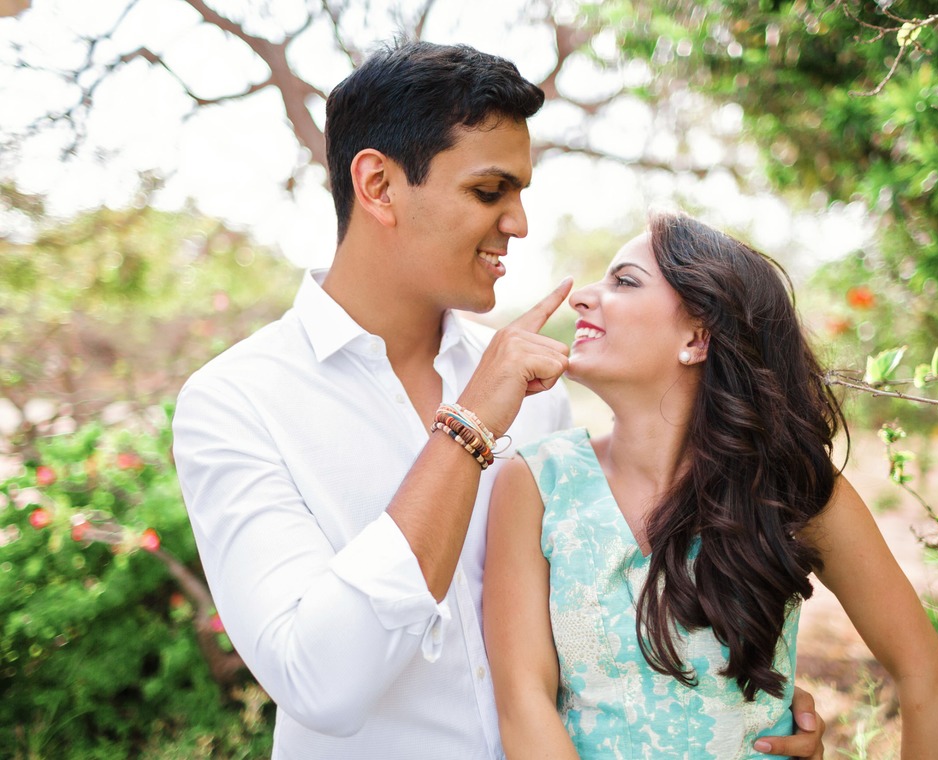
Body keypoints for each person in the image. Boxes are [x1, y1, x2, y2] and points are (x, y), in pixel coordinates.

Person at [172, 40, 826, 759]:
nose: (518, 223)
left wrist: (735, 708)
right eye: (490, 192)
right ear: (379, 186)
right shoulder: (236, 402)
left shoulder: (536, 392)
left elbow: (583, 636)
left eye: (520, 194)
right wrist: (468, 427)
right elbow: (319, 683)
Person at [484, 213, 938, 759]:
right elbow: (523, 703)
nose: (583, 298)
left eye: (624, 281)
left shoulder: (792, 489)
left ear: (697, 336)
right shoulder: (536, 483)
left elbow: (928, 675)